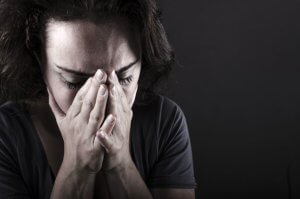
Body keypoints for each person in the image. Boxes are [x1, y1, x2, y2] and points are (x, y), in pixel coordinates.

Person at [0, 0, 197, 198]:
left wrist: (121, 166)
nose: (101, 98)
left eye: (124, 78)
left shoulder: (164, 122)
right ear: (39, 60)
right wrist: (77, 168)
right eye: (74, 82)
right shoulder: (6, 134)